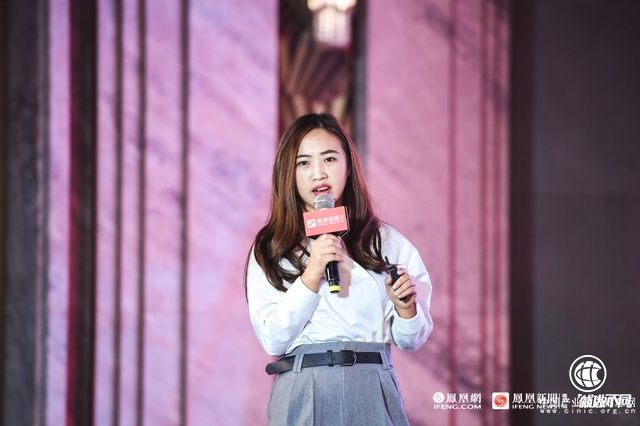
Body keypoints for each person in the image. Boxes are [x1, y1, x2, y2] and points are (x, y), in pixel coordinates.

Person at [244, 113, 433, 425]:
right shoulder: (271, 247)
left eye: (329, 159)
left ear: (348, 166)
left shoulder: (385, 242)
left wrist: (406, 308)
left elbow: (412, 339)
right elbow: (273, 340)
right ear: (288, 173)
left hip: (372, 384)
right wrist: (311, 275)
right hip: (304, 387)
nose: (318, 173)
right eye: (304, 163)